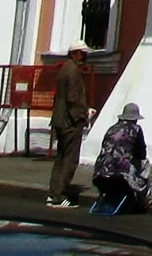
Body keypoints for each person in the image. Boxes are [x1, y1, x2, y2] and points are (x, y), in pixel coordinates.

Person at [45, 45, 92, 207]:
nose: (85, 57)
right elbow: (73, 98)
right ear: (75, 53)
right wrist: (83, 115)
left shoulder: (65, 68)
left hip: (60, 119)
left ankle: (53, 193)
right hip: (70, 121)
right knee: (70, 159)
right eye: (83, 54)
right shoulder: (72, 71)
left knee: (61, 157)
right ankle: (59, 195)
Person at [90, 102, 152, 215]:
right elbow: (141, 153)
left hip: (99, 175)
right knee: (145, 163)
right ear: (135, 119)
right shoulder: (136, 129)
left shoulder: (112, 128)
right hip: (119, 178)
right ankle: (142, 198)